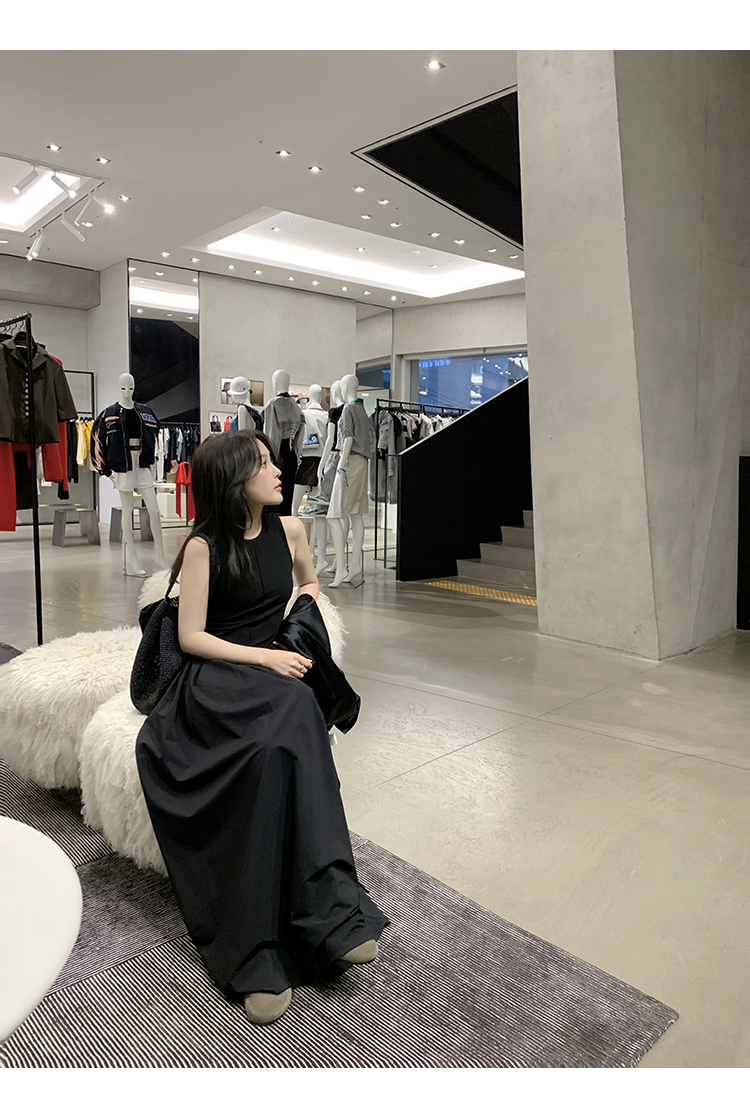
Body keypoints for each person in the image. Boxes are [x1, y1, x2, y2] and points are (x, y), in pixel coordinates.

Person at [135, 430, 388, 1026]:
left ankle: (328, 912)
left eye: (274, 461)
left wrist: (297, 621)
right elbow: (192, 637)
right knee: (281, 729)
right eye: (263, 464)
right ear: (232, 480)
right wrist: (265, 658)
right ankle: (255, 951)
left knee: (295, 716)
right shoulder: (203, 547)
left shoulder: (291, 530)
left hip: (270, 670)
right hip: (215, 678)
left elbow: (309, 583)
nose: (279, 471)